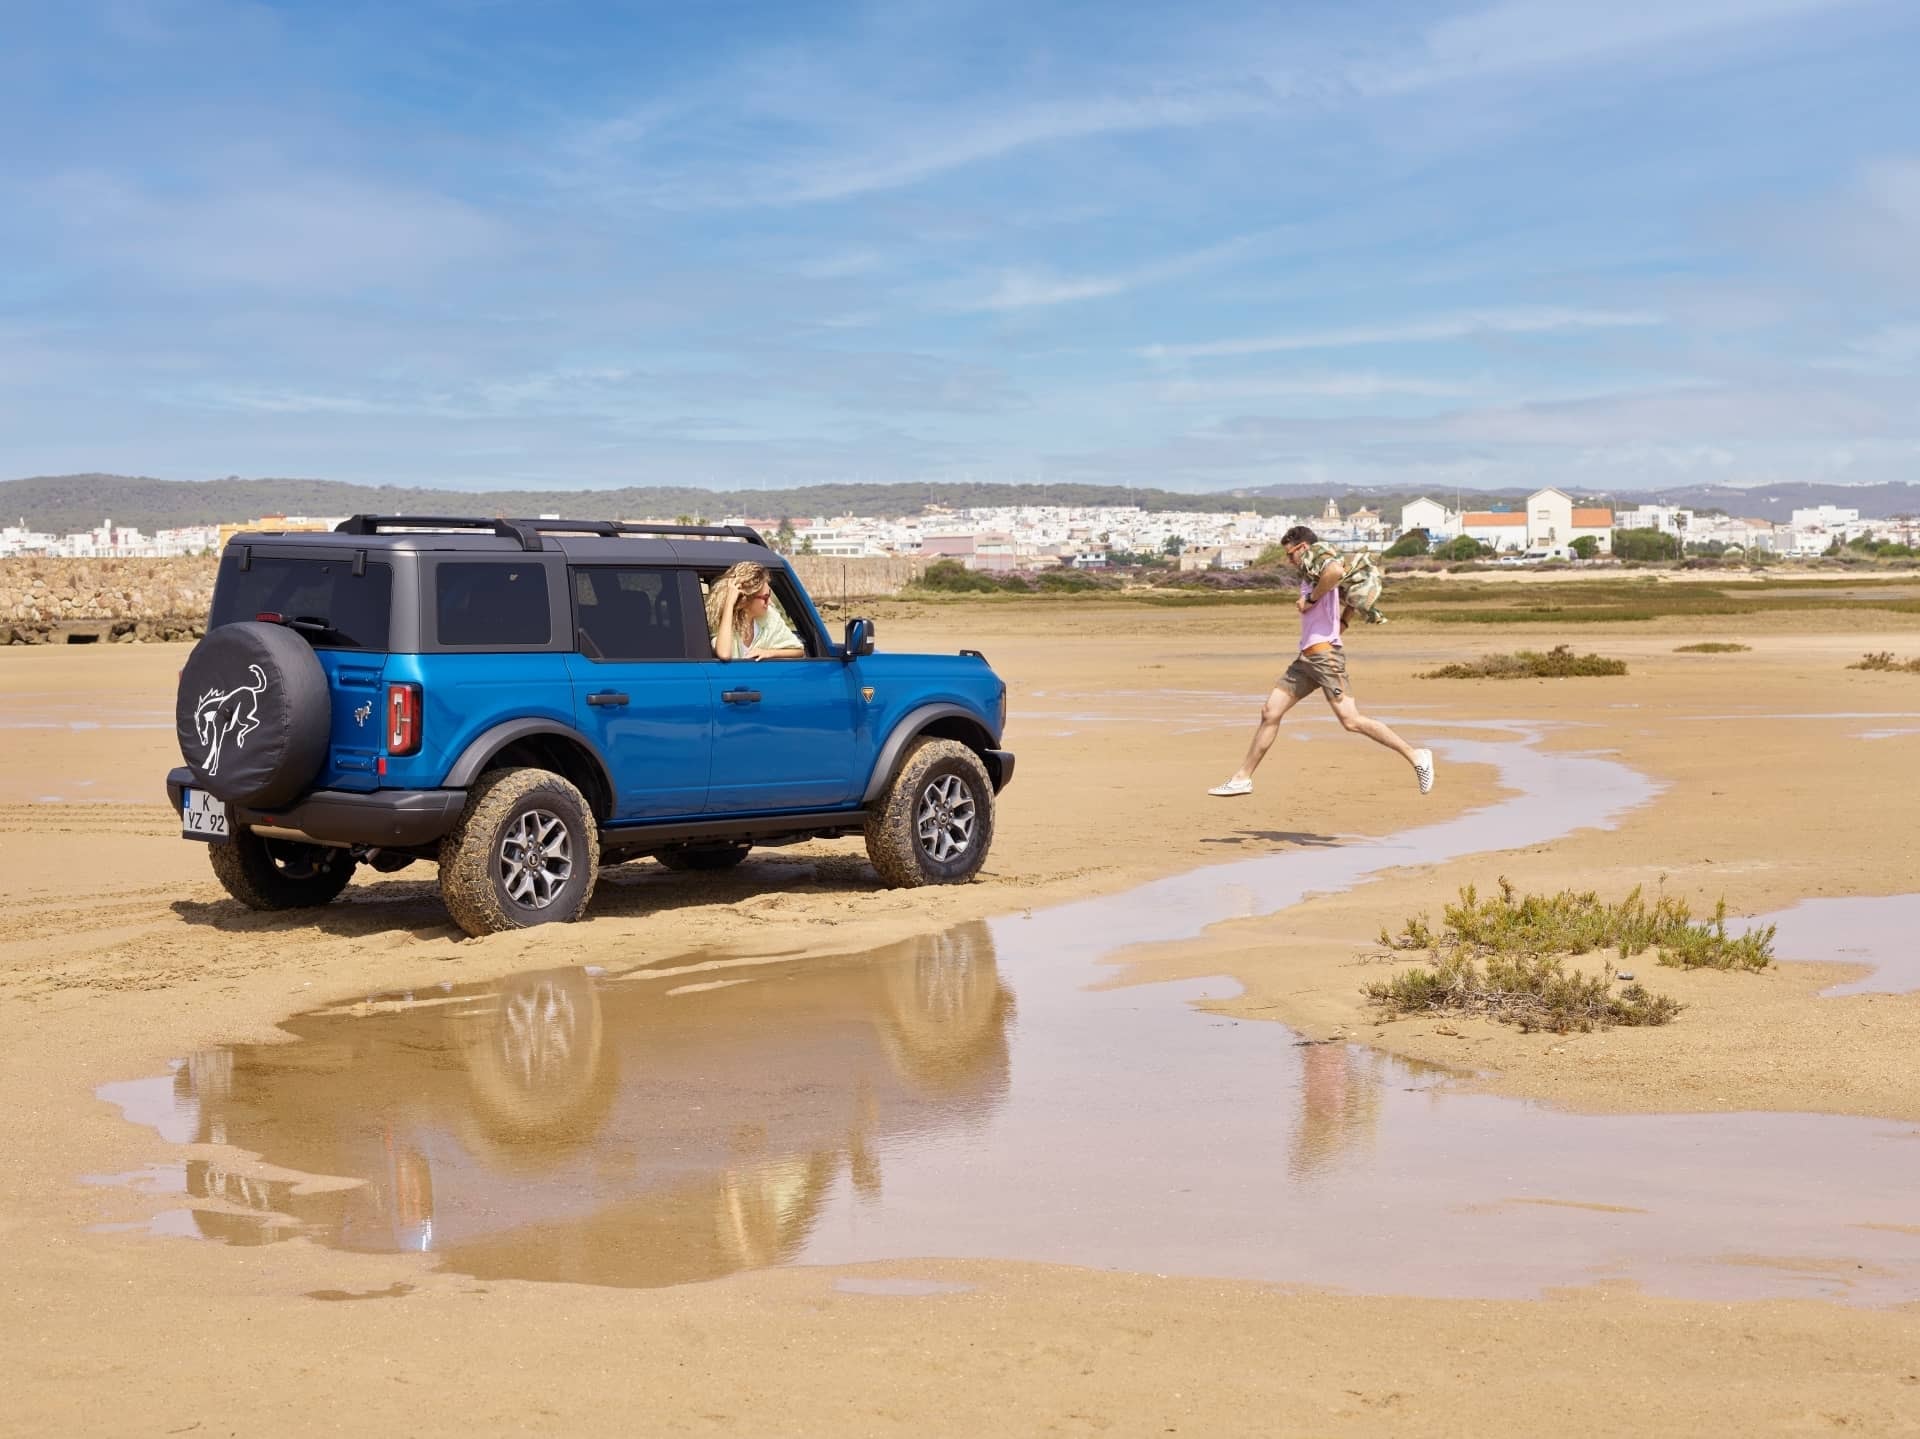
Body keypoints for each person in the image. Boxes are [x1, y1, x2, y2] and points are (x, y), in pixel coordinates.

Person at [1208, 526, 1433, 798]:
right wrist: (1341, 622)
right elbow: (1346, 592)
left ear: (1302, 547)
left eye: (1290, 555)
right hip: (1306, 659)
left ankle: (1416, 755)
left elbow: (1336, 572)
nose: (1289, 561)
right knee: (1270, 712)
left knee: (1350, 720)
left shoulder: (1320, 558)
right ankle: (1242, 778)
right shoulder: (1313, 572)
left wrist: (1310, 599)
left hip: (1324, 658)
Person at [706, 561, 805, 661]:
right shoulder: (722, 622)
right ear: (745, 599)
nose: (770, 602)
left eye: (769, 595)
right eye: (765, 597)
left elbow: (798, 650)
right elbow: (724, 654)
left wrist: (769, 653)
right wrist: (729, 603)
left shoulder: (771, 618)